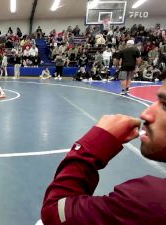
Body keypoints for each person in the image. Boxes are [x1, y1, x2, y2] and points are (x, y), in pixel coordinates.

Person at [41, 80, 166, 225]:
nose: (145, 114)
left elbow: (54, 213)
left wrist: (93, 144)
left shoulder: (151, 201)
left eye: (165, 105)